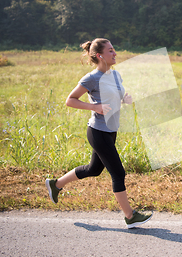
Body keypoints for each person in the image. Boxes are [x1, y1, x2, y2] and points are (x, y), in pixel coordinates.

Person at [45, 38, 152, 228]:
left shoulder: (116, 75)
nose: (115, 53)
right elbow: (70, 100)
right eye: (111, 51)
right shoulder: (91, 78)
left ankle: (56, 184)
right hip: (98, 131)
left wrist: (125, 99)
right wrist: (94, 106)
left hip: (111, 131)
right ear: (100, 55)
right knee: (118, 172)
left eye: (114, 50)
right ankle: (130, 216)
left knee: (94, 170)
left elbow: (116, 96)